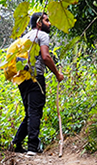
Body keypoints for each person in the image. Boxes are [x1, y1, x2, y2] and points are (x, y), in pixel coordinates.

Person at [11, 12, 64, 156]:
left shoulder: (24, 38)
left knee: (29, 112)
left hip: (23, 79)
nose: (50, 23)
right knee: (35, 111)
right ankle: (32, 148)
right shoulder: (42, 35)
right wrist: (57, 74)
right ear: (39, 23)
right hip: (36, 79)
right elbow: (46, 57)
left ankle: (16, 143)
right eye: (47, 21)